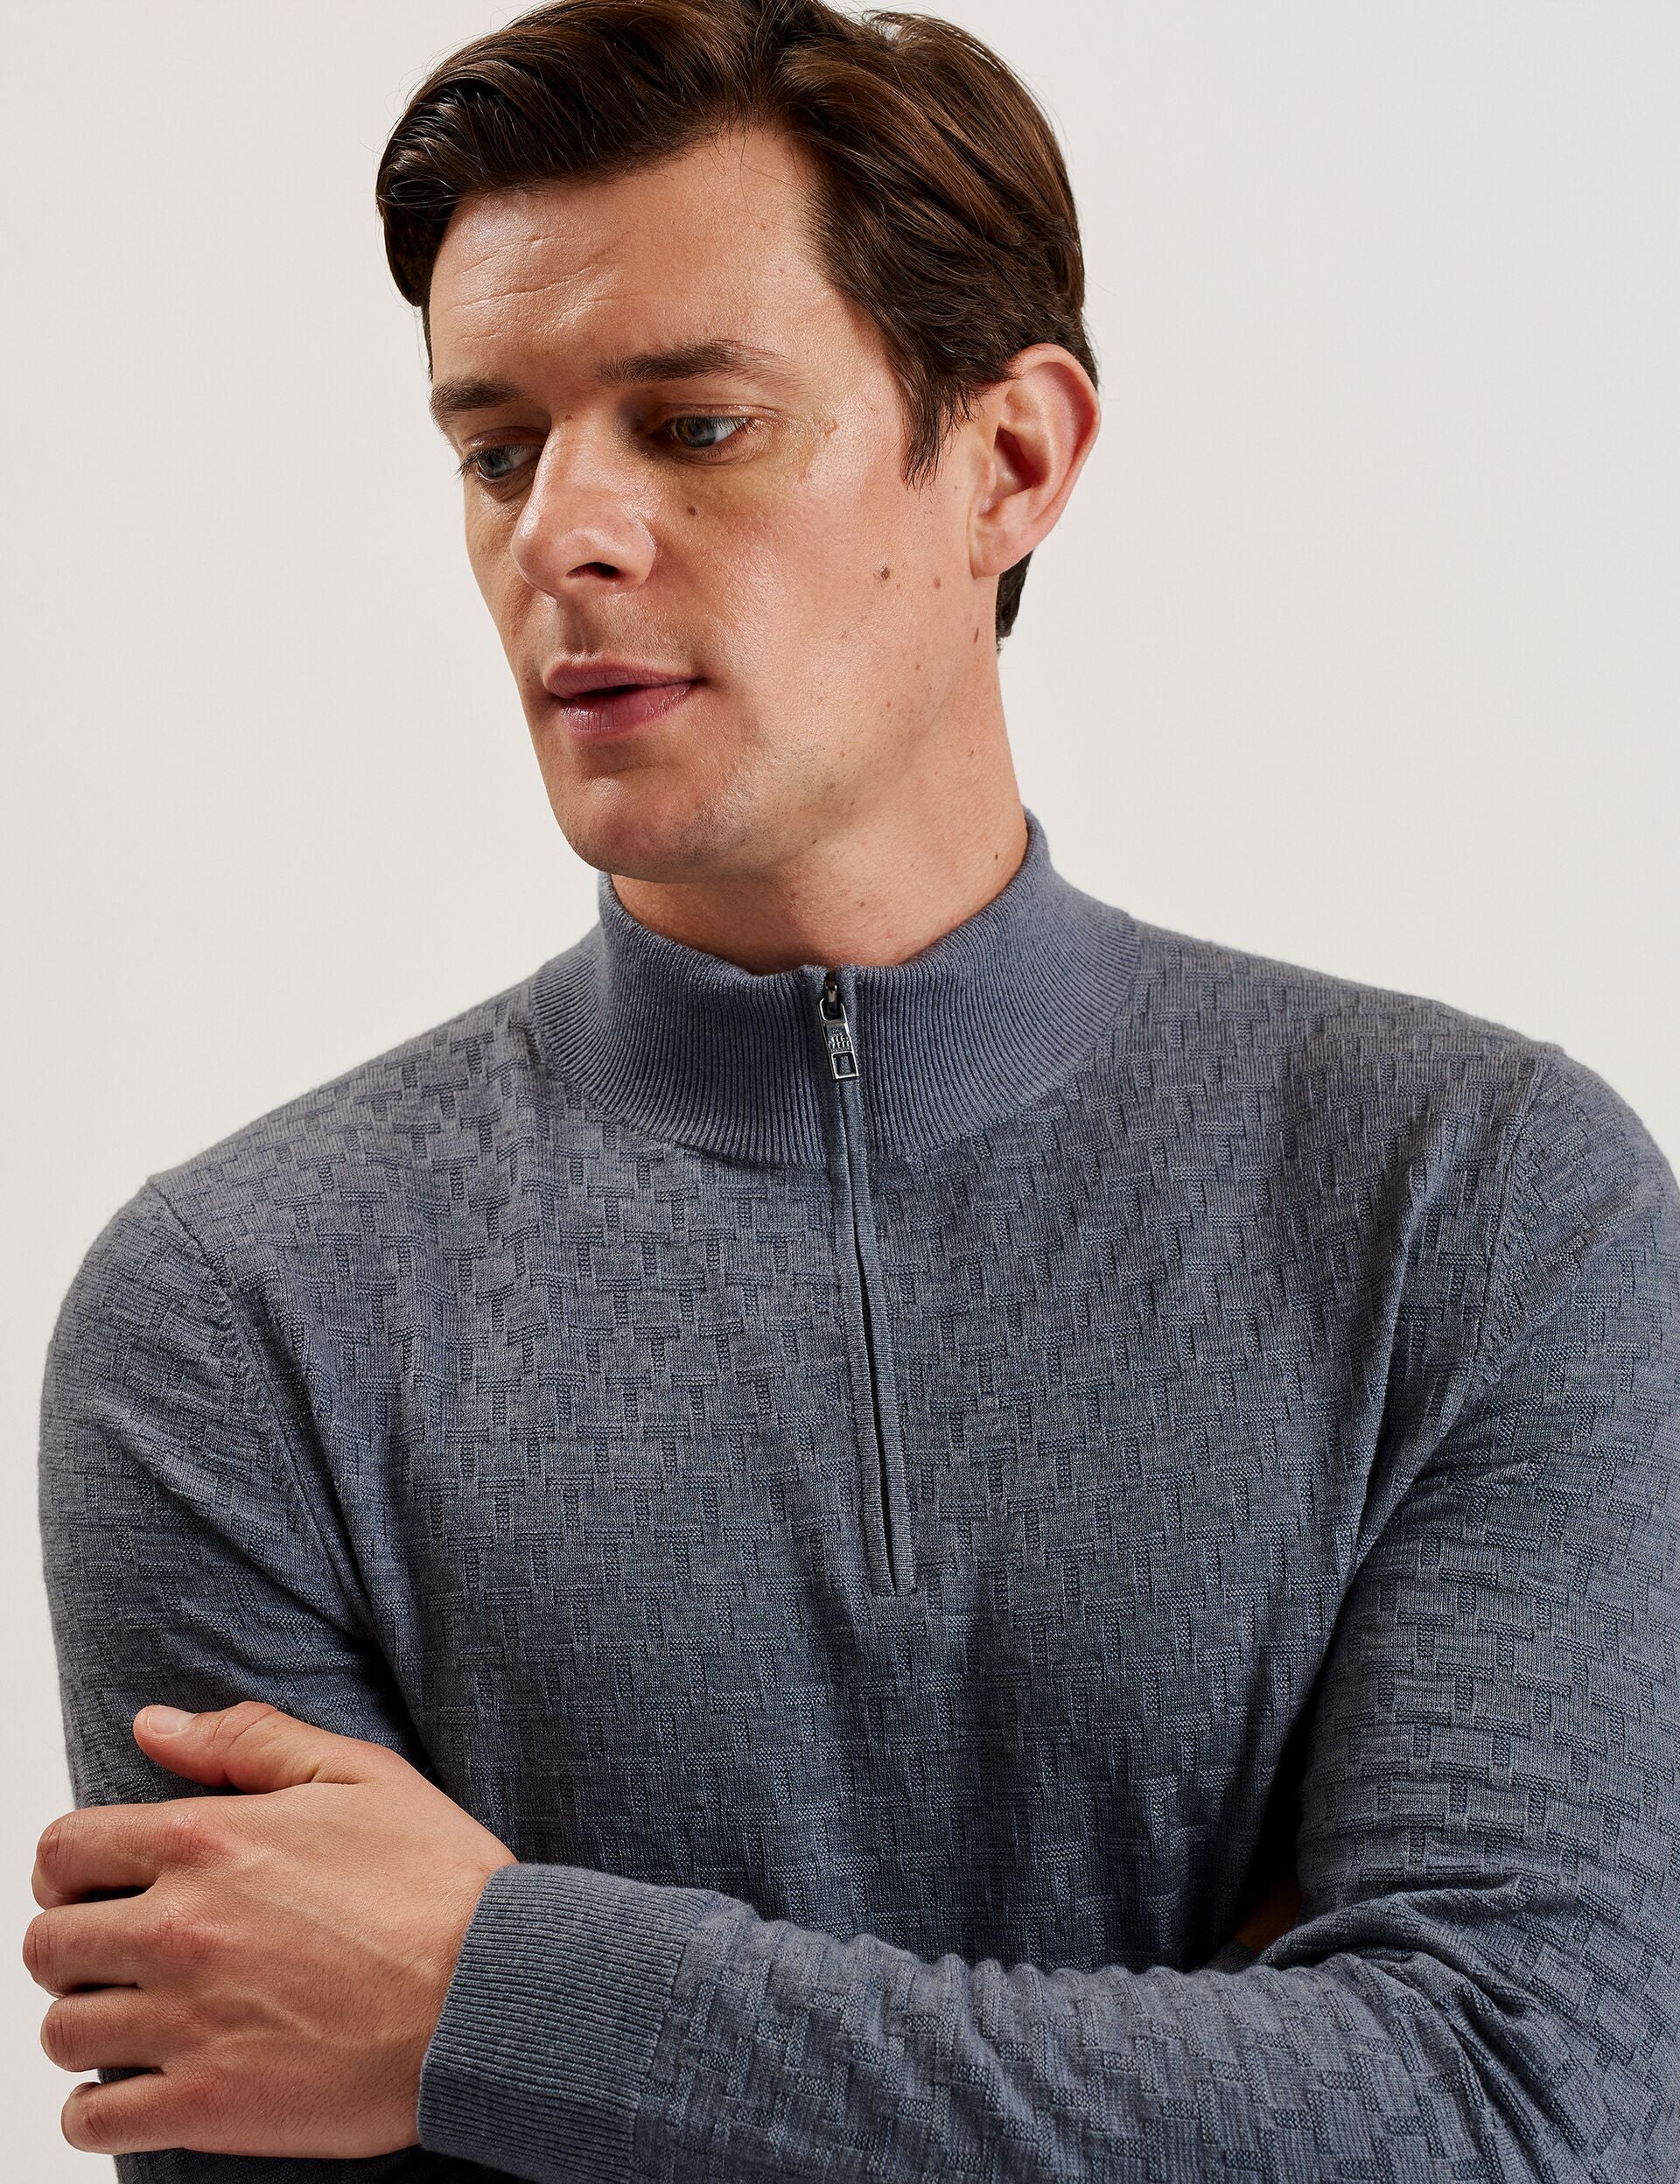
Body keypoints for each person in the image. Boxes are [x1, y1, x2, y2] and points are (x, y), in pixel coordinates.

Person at [32, 0, 1679, 2175]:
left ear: (1011, 461)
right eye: (498, 449)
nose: (562, 533)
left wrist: (488, 1997)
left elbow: (1528, 2109)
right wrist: (1241, 2059)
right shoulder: (239, 1316)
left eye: (695, 425)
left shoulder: (1477, 1201)